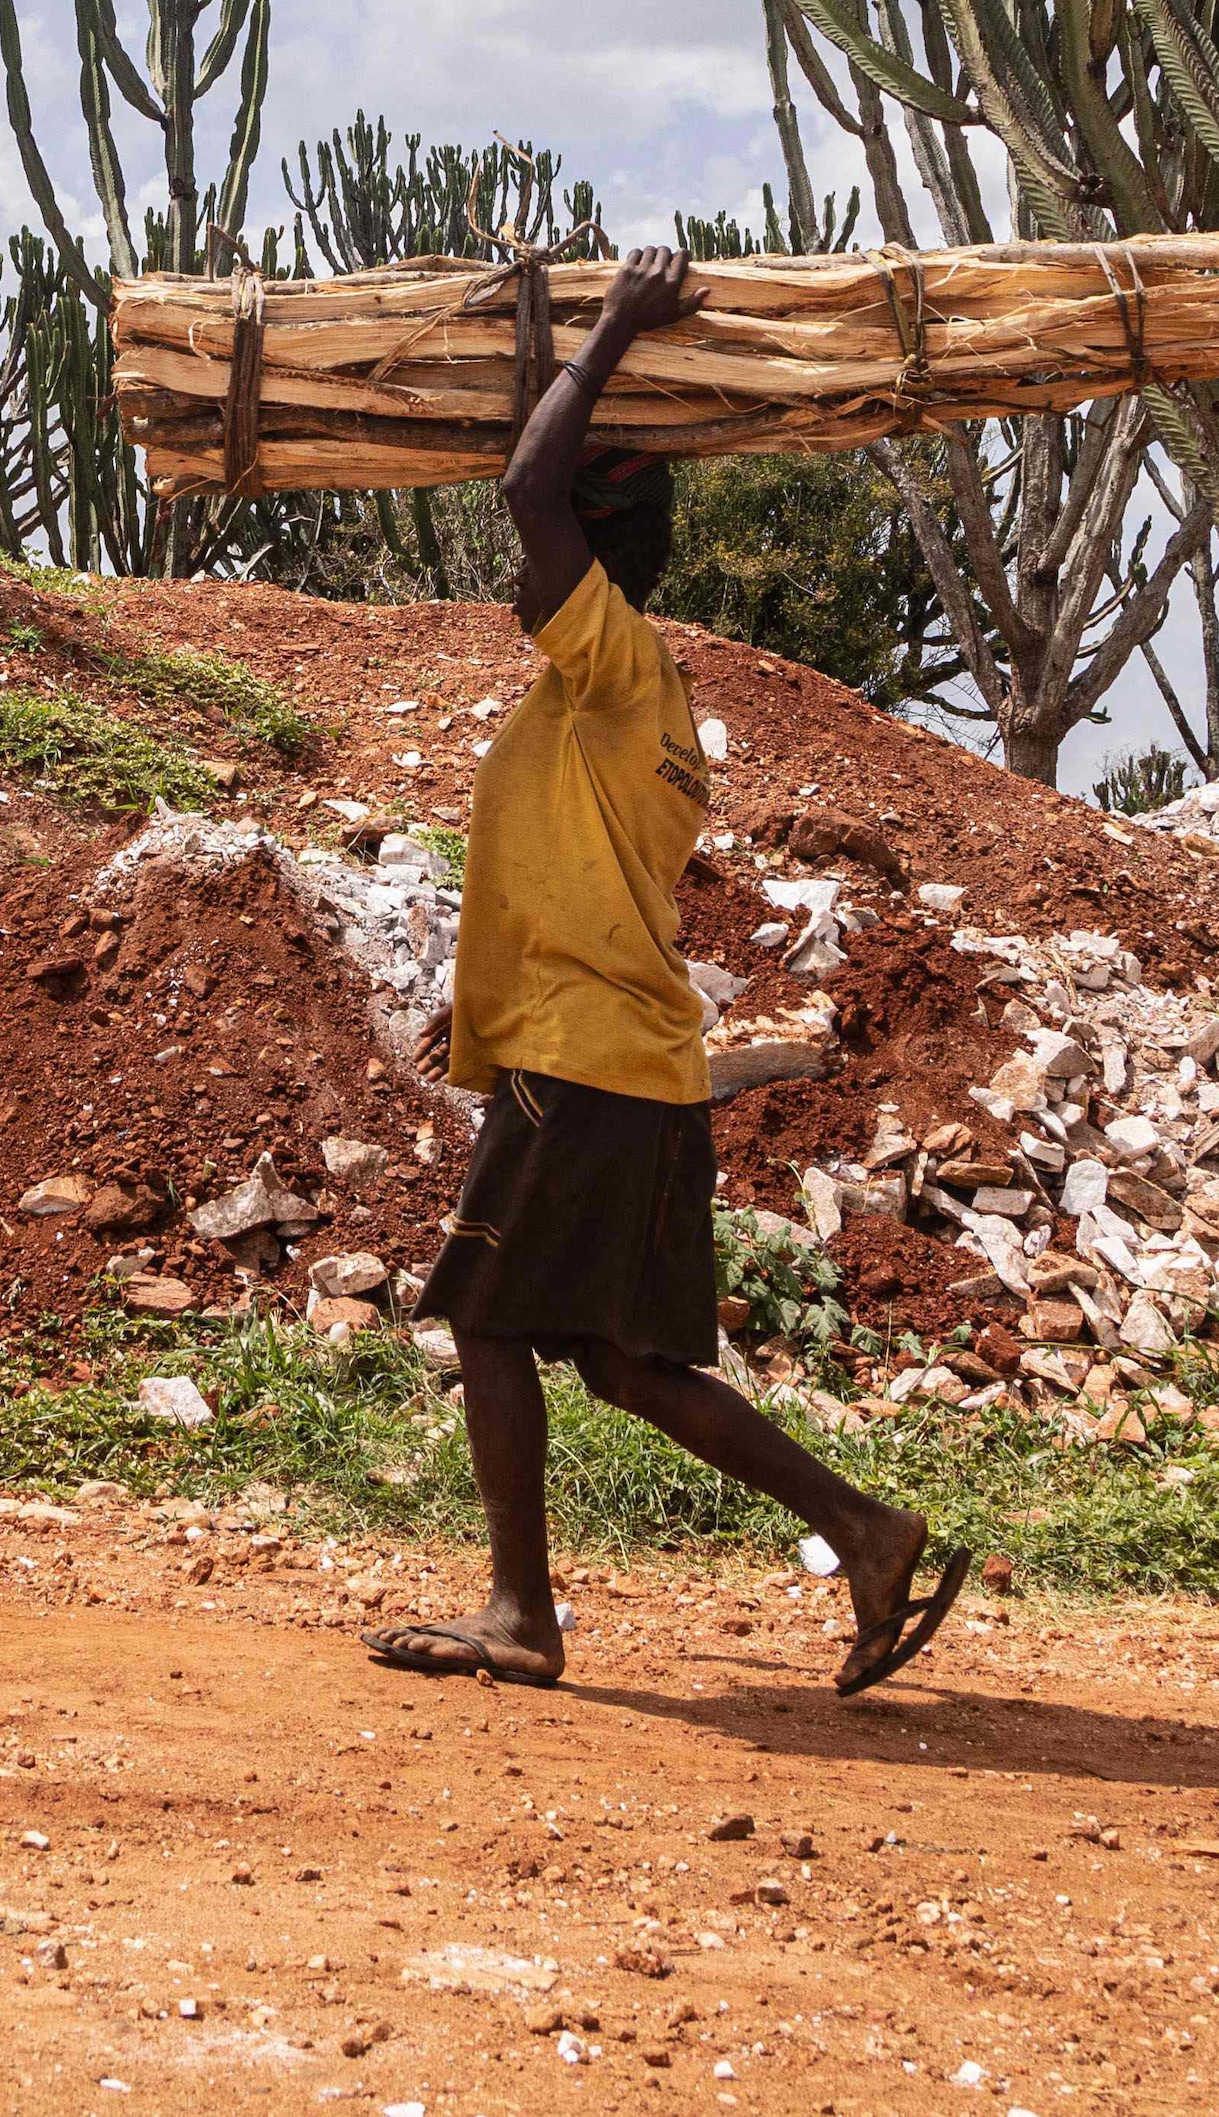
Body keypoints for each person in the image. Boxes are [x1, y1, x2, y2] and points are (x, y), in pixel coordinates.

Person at [367, 248, 965, 1696]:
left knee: (487, 1318)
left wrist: (621, 323)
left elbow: (526, 489)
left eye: (548, 543)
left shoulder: (620, 665)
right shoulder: (631, 692)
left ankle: (522, 1611)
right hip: (620, 1059)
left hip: (585, 1060)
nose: (519, 564)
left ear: (592, 537)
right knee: (623, 1363)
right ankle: (865, 1528)